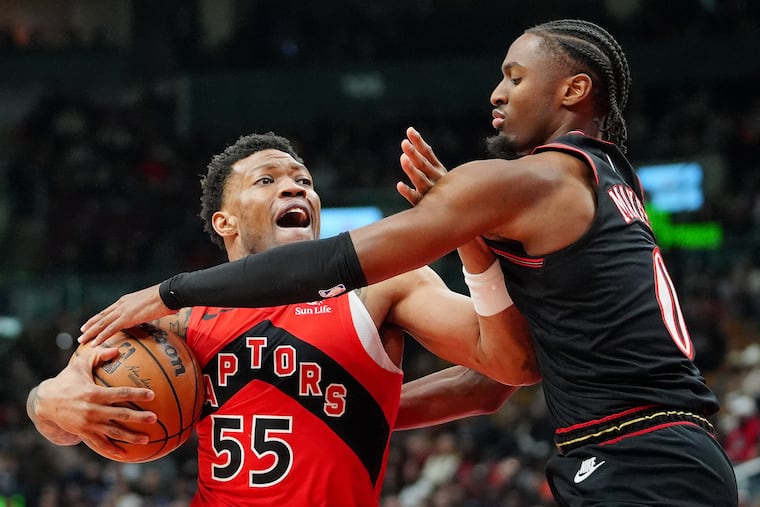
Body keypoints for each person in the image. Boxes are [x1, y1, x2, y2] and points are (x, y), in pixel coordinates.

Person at [76, 19, 740, 506]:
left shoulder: (529, 179)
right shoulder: (603, 177)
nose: (496, 93)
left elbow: (338, 265)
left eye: (514, 75)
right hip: (633, 449)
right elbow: (54, 398)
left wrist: (170, 288)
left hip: (638, 454)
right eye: (267, 179)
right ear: (221, 219)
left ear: (573, 89)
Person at [27, 132, 538, 506]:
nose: (295, 189)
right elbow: (60, 414)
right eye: (267, 180)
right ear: (223, 221)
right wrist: (47, 402)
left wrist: (466, 232)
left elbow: (497, 373)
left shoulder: (379, 287)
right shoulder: (177, 320)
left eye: (304, 181)